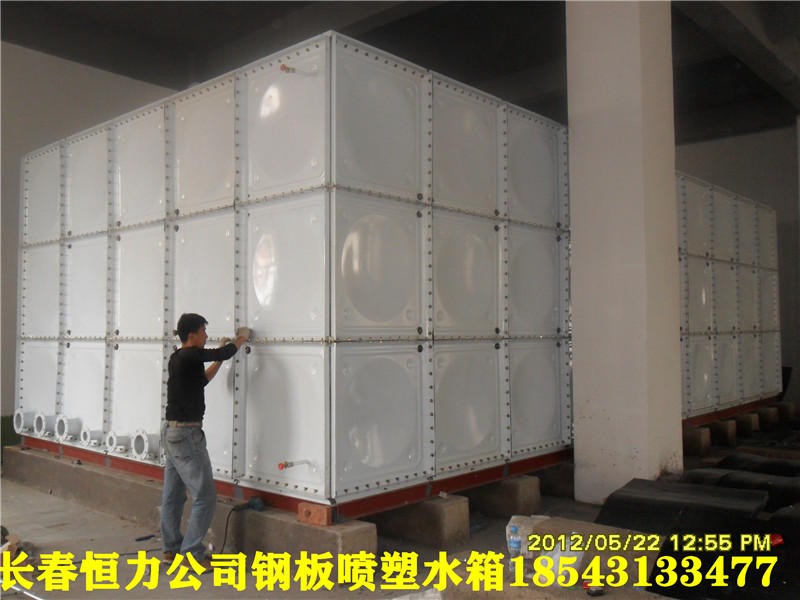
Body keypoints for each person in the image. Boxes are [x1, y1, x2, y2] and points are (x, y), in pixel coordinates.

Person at [160, 313, 250, 566]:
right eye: (203, 331)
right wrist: (239, 340)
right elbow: (224, 353)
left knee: (173, 495)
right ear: (192, 335)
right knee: (206, 496)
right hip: (187, 434)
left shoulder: (179, 358)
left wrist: (220, 357)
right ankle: (192, 553)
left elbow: (202, 381)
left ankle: (171, 549)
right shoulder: (189, 355)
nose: (206, 335)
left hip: (172, 433)